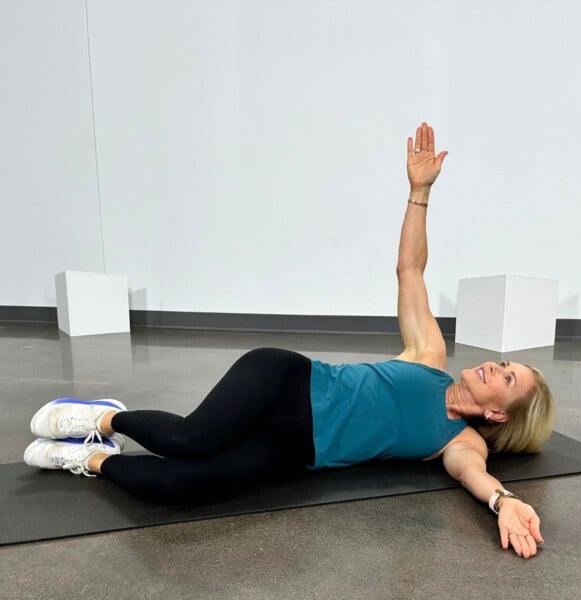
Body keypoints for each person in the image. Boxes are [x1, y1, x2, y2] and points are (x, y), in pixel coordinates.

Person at [24, 122, 554, 559]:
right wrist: (419, 194)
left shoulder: (461, 443)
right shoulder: (429, 356)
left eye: (507, 378)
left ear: (502, 414)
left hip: (293, 451)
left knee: (176, 488)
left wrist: (505, 502)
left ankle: (88, 460)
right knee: (191, 440)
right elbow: (410, 270)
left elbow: (476, 479)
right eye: (504, 362)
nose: (493, 366)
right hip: (284, 380)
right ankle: (96, 418)